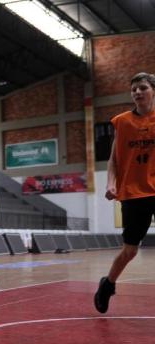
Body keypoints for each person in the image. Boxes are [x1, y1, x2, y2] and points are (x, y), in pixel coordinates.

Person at [94, 72, 155, 313]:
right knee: (130, 250)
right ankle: (107, 285)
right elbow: (114, 158)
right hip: (132, 192)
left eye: (142, 88)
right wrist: (111, 182)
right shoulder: (122, 121)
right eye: (134, 90)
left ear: (152, 90)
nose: (138, 92)